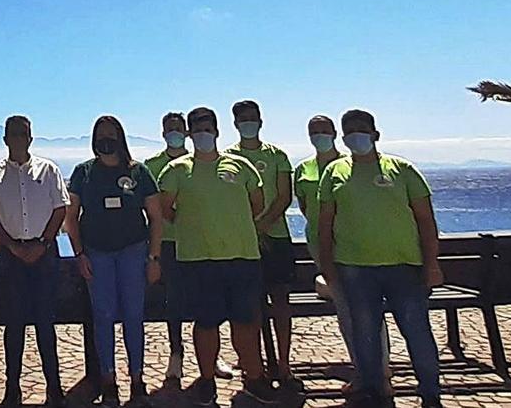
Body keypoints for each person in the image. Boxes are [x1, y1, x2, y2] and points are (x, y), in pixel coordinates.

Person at [318, 110, 443, 408]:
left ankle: (430, 394)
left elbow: (426, 220)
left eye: (362, 129)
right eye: (349, 130)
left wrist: (432, 264)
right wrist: (328, 268)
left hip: (405, 267)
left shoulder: (403, 169)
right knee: (366, 335)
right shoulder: (333, 173)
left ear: (376, 134)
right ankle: (375, 393)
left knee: (417, 332)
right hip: (355, 269)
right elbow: (325, 225)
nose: (355, 135)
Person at [158, 107, 277, 406]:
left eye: (207, 127)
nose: (202, 133)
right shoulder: (175, 170)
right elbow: (166, 210)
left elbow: (257, 202)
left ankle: (254, 378)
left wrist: (232, 223)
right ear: (188, 133)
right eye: (196, 128)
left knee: (246, 322)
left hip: (242, 257)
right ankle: (206, 380)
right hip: (198, 259)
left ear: (217, 131)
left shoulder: (241, 166)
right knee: (206, 323)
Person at [64, 115, 163, 408]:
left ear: (121, 138)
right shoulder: (83, 173)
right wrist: (80, 254)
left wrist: (154, 257)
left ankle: (137, 378)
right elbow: (71, 218)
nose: (106, 141)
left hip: (133, 252)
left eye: (111, 135)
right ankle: (108, 380)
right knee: (103, 316)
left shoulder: (139, 173)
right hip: (97, 254)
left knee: (134, 316)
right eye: (101, 136)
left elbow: (156, 218)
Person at [293, 115, 391, 398]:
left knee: (369, 311)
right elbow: (306, 207)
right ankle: (363, 370)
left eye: (324, 130)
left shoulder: (349, 168)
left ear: (335, 133)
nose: (319, 135)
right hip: (322, 248)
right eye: (314, 131)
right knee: (347, 312)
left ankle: (380, 371)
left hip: (355, 247)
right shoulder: (304, 170)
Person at [0, 116, 68, 408]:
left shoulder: (49, 170)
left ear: (31, 137)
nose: (18, 138)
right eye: (13, 134)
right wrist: (12, 246)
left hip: (45, 256)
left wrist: (42, 244)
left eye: (23, 133)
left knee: (45, 323)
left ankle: (54, 388)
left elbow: (60, 210)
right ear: (5, 139)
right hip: (9, 258)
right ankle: (11, 389)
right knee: (13, 326)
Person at [225, 99, 300, 391]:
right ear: (235, 124)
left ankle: (283, 362)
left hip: (277, 239)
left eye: (252, 118)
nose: (248, 123)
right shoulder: (228, 157)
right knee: (247, 306)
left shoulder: (278, 156)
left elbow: (284, 196)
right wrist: (250, 228)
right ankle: (251, 363)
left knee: (280, 302)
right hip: (242, 243)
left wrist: (264, 224)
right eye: (242, 119)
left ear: (261, 120)